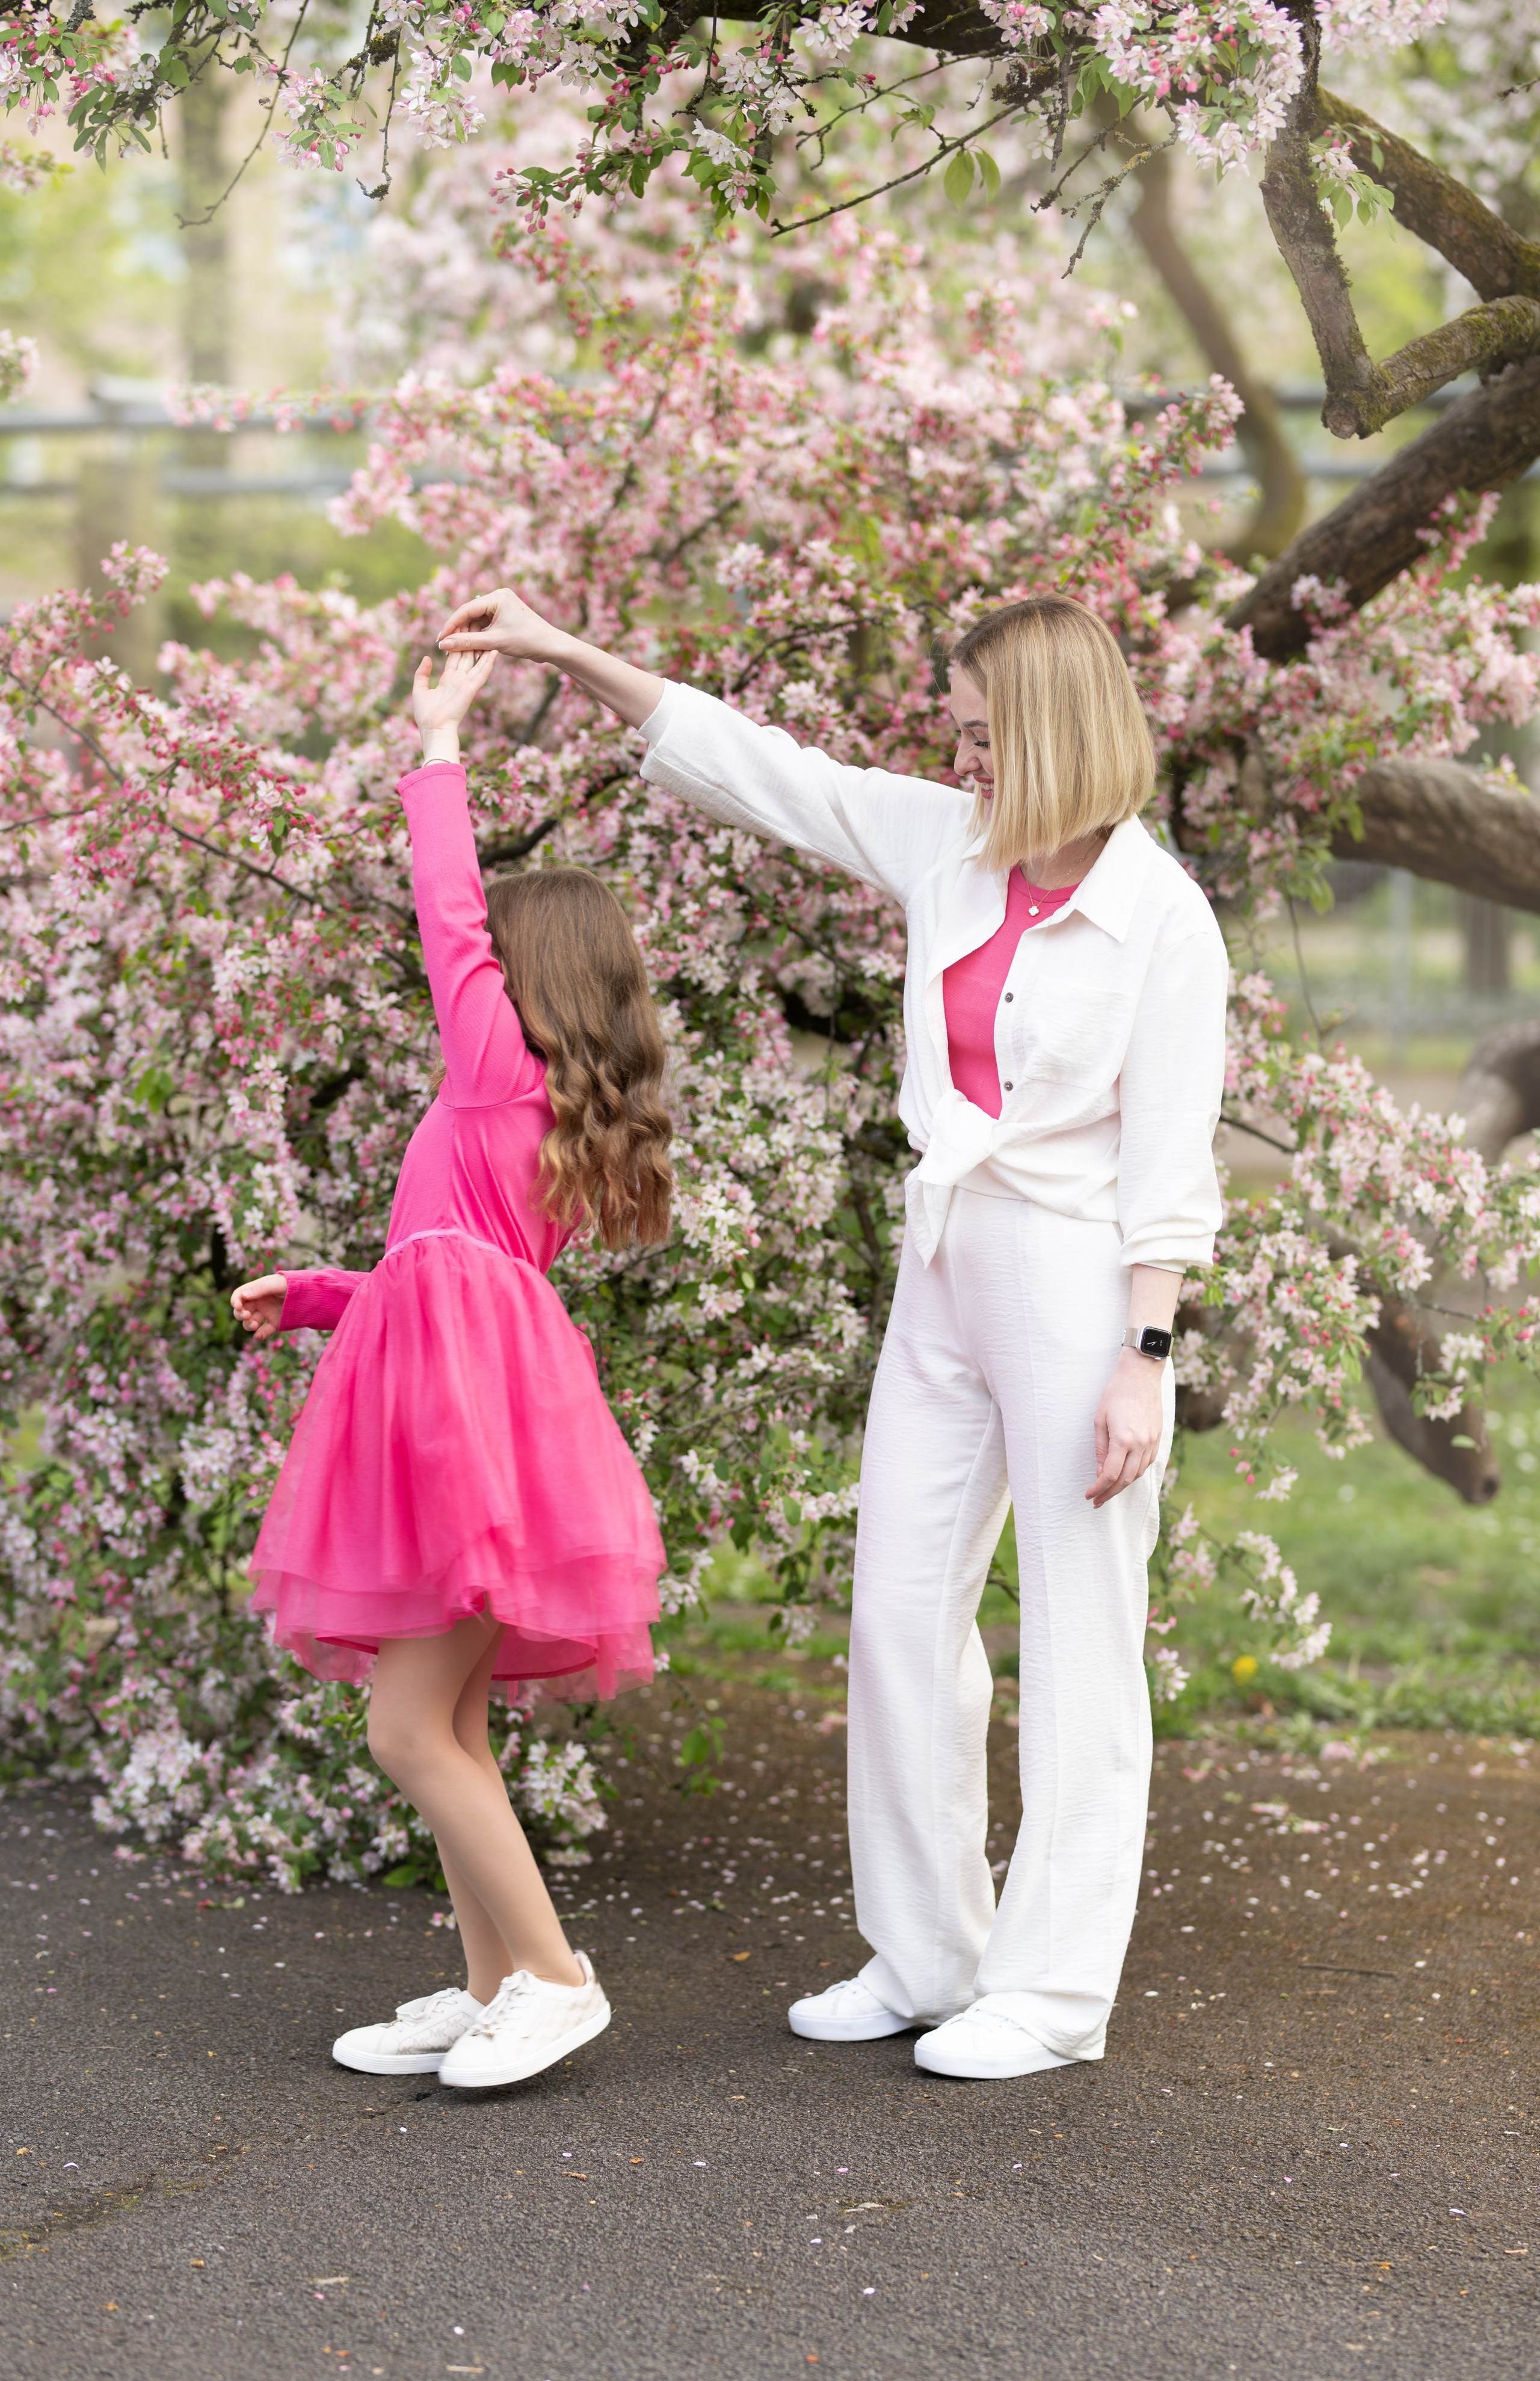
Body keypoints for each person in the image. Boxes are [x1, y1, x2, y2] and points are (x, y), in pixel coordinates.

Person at [439, 585, 1228, 2083]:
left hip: (1079, 1287)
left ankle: (1051, 1995)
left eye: (988, 733)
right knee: (897, 1610)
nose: (967, 754)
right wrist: (559, 644)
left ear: (1055, 733)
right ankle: (929, 1954)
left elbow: (1168, 1160)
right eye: (963, 732)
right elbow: (754, 765)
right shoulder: (948, 842)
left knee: (1079, 1641)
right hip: (944, 1264)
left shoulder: (1159, 918)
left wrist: (1147, 1353)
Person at [230, 645, 671, 2091]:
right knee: (454, 1718)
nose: (464, 976)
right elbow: (440, 1261)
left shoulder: (492, 1064)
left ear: (519, 981)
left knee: (407, 1722)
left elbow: (446, 913)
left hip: (466, 1431)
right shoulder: (530, 1123)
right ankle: (493, 1983)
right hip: (488, 1413)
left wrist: (435, 743)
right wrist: (313, 1294)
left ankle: (550, 1974)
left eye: (489, 964)